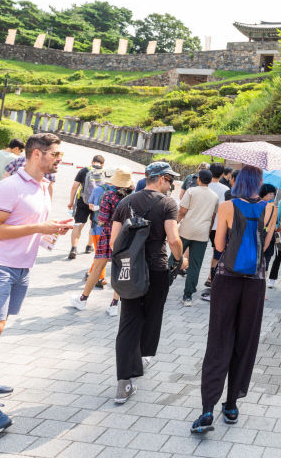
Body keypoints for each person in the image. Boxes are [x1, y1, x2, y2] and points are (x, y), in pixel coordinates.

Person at [0, 133, 73, 435]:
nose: (59, 159)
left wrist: (52, 230)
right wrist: (40, 227)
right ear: (37, 154)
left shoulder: (44, 187)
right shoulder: (8, 187)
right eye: (55, 154)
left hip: (19, 267)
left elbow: (28, 226)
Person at [191, 165, 277, 434]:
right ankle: (231, 405)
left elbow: (218, 246)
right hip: (255, 281)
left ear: (238, 181)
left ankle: (207, 410)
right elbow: (264, 247)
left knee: (219, 340)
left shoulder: (228, 206)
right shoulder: (271, 209)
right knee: (245, 340)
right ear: (259, 184)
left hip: (226, 279)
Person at [110, 162, 187, 404]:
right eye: (170, 179)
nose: (171, 183)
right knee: (152, 314)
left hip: (129, 270)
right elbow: (173, 239)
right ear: (162, 178)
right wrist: (181, 259)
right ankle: (143, 356)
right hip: (155, 269)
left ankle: (124, 382)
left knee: (129, 320)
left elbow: (114, 242)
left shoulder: (125, 203)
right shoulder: (167, 204)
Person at [70, 167, 135, 316]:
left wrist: (100, 222)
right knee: (121, 270)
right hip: (127, 235)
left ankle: (83, 299)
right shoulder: (134, 196)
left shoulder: (109, 195)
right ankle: (114, 304)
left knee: (98, 267)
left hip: (108, 234)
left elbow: (102, 218)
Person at [172, 169, 219, 307]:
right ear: (210, 181)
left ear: (198, 179)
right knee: (195, 265)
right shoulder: (214, 196)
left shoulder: (191, 191)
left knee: (174, 258)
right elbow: (213, 217)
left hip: (186, 230)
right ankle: (188, 296)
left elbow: (182, 211)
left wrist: (175, 224)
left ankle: (164, 285)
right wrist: (208, 230)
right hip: (202, 233)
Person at [67, 155, 105, 260]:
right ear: (102, 164)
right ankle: (89, 246)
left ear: (92, 162)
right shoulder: (104, 172)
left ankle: (73, 248)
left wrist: (71, 202)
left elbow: (75, 186)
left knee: (78, 224)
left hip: (83, 201)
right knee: (93, 225)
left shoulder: (84, 170)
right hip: (97, 203)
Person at [203, 163, 230, 290]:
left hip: (203, 223)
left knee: (194, 249)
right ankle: (210, 277)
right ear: (222, 173)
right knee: (217, 251)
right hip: (217, 225)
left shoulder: (204, 186)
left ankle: (184, 268)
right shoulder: (225, 189)